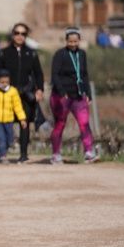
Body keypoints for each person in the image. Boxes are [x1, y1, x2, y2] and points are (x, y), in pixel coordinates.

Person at [0, 23, 44, 164]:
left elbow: (38, 74)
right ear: (12, 34)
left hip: (25, 94)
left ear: (26, 36)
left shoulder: (32, 54)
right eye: (17, 33)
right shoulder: (3, 53)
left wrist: (40, 90)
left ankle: (23, 154)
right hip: (6, 94)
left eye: (23, 34)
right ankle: (3, 152)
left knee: (24, 123)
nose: (20, 36)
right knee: (3, 122)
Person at [50, 27, 98, 164]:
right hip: (62, 96)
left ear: (79, 41)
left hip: (78, 96)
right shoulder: (60, 54)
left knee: (84, 123)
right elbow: (55, 75)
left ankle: (89, 152)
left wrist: (88, 93)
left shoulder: (82, 54)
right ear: (66, 41)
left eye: (75, 41)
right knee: (60, 124)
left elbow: (84, 74)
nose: (73, 44)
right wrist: (62, 92)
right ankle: (56, 153)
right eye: (70, 41)